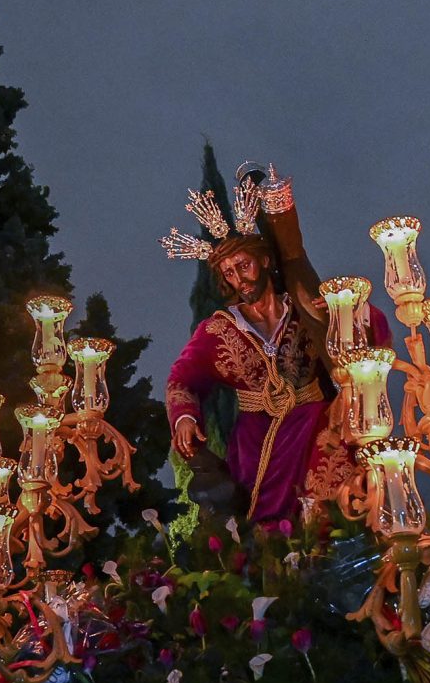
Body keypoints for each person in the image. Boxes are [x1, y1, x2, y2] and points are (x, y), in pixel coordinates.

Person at [162, 167, 389, 526]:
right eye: (229, 273)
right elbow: (182, 380)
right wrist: (186, 418)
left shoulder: (304, 308)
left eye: (243, 265)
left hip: (319, 426)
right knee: (263, 529)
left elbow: (373, 333)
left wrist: (346, 309)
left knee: (331, 515)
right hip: (256, 441)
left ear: (265, 260)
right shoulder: (218, 330)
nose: (239, 278)